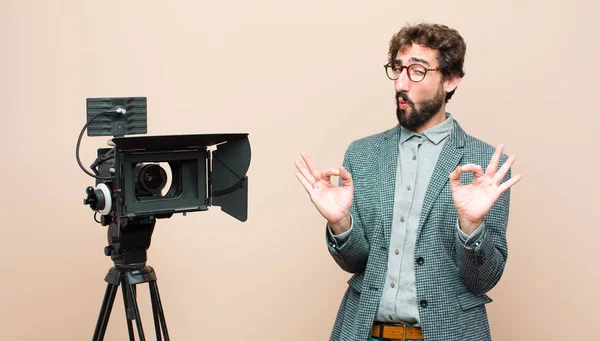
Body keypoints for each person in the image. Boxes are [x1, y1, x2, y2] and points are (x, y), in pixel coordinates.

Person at [294, 23, 522, 341]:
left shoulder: (485, 165)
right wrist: (341, 223)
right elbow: (355, 262)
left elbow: (483, 279)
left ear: (451, 80)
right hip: (365, 333)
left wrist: (471, 227)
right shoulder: (362, 154)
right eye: (398, 69)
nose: (401, 83)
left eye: (417, 71)